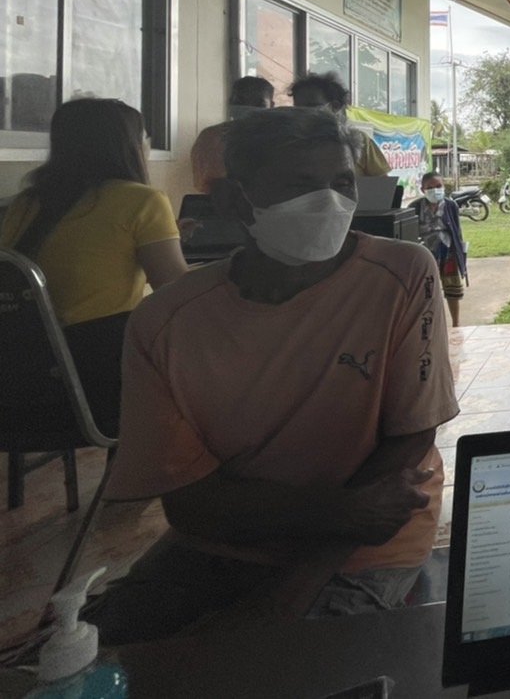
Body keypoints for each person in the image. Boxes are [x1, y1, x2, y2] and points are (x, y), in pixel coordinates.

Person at [86, 107, 458, 645]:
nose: (327, 202)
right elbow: (189, 503)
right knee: (104, 658)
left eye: (341, 183)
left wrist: (294, 589)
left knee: (279, 660)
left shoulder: (401, 275)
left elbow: (408, 441)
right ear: (234, 200)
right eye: (299, 185)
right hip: (225, 540)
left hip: (363, 549)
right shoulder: (166, 322)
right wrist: (339, 513)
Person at [0, 98, 188, 435]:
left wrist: (164, 236)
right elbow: (178, 295)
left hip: (17, 384)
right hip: (94, 387)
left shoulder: (25, 203)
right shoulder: (142, 200)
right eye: (144, 137)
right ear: (130, 145)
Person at [289, 73, 391, 177]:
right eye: (298, 108)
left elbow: (383, 184)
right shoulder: (290, 143)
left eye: (312, 107)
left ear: (335, 106)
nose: (304, 113)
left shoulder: (361, 141)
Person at [191, 75, 275, 192]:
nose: (249, 109)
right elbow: (205, 182)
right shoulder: (211, 138)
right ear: (230, 103)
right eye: (241, 103)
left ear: (272, 106)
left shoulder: (281, 139)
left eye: (259, 105)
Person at [416, 171, 469, 326]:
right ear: (423, 190)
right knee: (427, 289)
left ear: (444, 187)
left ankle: (456, 323)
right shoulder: (415, 207)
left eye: (438, 186)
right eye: (430, 188)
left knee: (452, 288)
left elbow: (457, 231)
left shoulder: (450, 205)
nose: (435, 190)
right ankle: (433, 325)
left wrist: (460, 253)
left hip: (448, 251)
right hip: (425, 253)